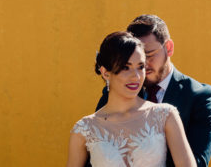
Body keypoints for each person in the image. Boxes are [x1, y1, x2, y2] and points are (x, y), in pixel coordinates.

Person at [95, 15, 211, 167]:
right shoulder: (116, 90)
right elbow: (95, 153)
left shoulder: (199, 97)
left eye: (149, 55)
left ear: (169, 48)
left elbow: (197, 162)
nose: (143, 65)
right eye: (132, 59)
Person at [67, 31, 196, 167]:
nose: (136, 76)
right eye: (125, 67)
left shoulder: (165, 115)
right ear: (105, 73)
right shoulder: (84, 129)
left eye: (140, 67)